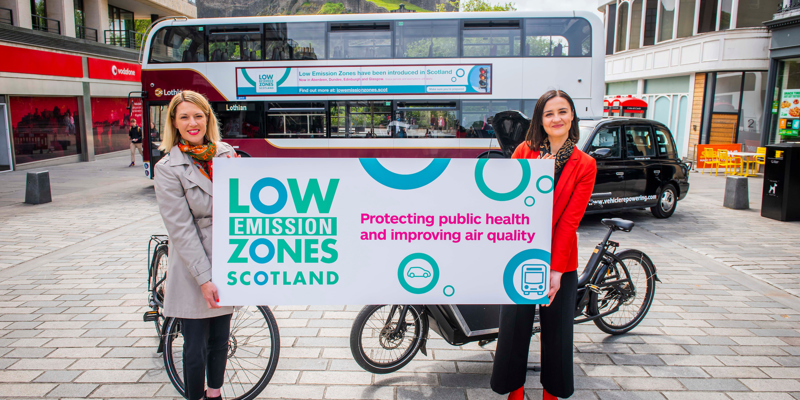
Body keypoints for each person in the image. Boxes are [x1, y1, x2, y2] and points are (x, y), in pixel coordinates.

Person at [490, 90, 597, 400]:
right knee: (513, 327)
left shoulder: (585, 164)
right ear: (540, 119)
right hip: (522, 252)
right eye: (549, 113)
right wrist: (539, 178)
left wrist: (557, 270)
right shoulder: (524, 152)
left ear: (572, 116)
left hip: (561, 256)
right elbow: (509, 203)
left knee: (558, 330)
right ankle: (515, 390)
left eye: (562, 112)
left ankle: (552, 392)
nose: (556, 119)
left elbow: (569, 221)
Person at [153, 90, 239, 400]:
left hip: (228, 258)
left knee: (220, 338)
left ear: (208, 119)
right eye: (185, 117)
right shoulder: (167, 168)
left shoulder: (226, 154)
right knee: (194, 347)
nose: (193, 123)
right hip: (193, 266)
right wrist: (204, 279)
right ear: (174, 123)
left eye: (198, 116)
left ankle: (214, 395)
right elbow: (181, 229)